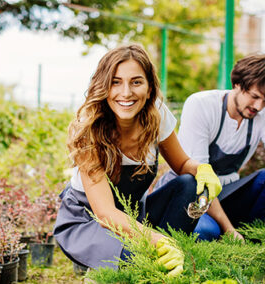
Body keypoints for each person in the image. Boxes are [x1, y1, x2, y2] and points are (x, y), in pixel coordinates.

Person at [53, 44, 222, 276]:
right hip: (89, 219)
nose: (126, 93)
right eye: (115, 82)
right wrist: (156, 239)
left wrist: (203, 169)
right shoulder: (90, 129)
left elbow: (183, 165)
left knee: (189, 183)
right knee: (140, 261)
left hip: (134, 216)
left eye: (136, 82)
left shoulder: (156, 114)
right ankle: (115, 265)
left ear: (149, 87)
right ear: (103, 86)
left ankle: (170, 257)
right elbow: (105, 213)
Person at [155, 54, 265, 241]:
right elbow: (200, 180)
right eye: (254, 96)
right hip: (192, 192)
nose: (258, 106)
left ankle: (252, 236)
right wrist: (229, 229)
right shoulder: (201, 105)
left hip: (227, 194)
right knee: (205, 233)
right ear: (237, 85)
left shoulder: (260, 114)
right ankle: (228, 232)